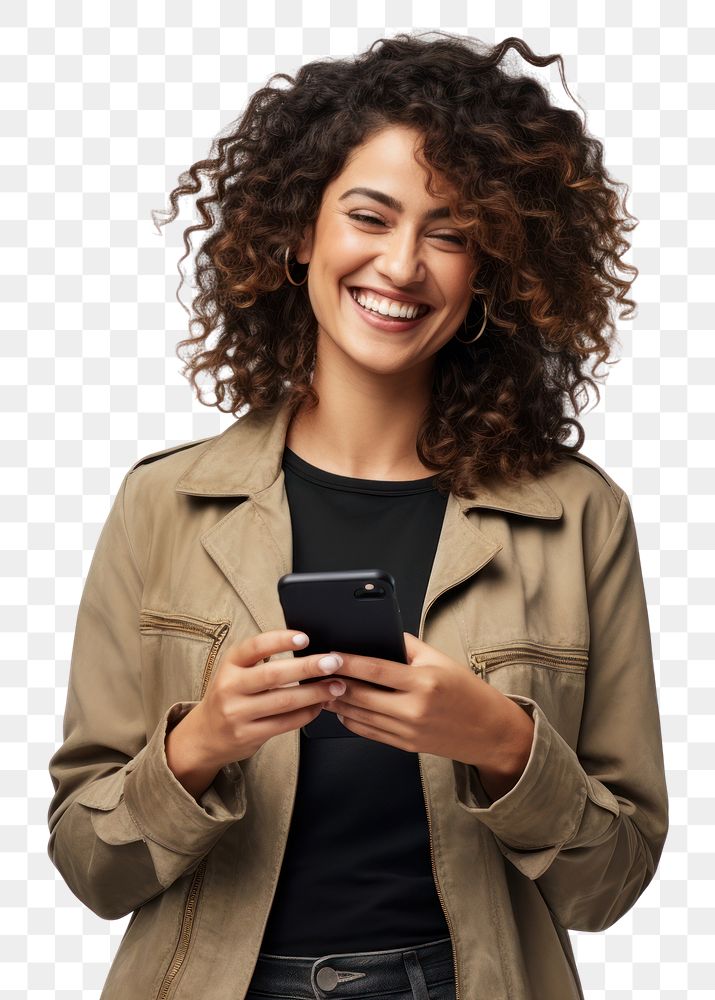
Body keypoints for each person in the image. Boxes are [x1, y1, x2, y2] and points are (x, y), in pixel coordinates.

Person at [46, 31, 669, 1000]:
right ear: (300, 232)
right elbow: (91, 865)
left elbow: (610, 882)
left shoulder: (577, 514)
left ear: (490, 273)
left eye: (450, 233)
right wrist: (200, 741)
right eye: (369, 216)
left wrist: (503, 745)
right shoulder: (163, 503)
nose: (404, 263)